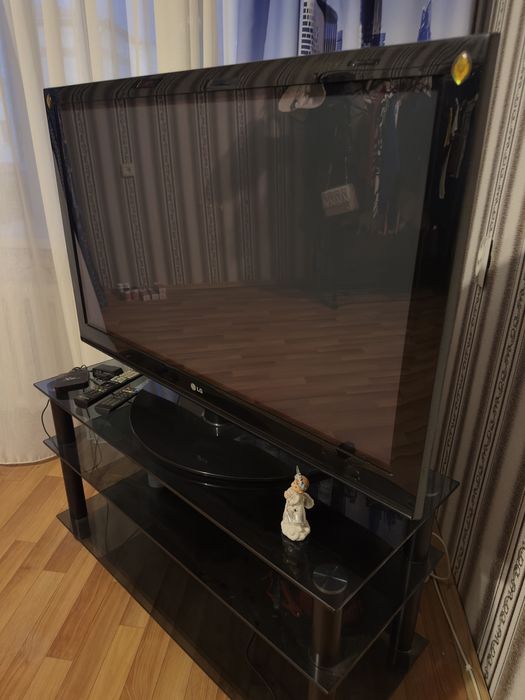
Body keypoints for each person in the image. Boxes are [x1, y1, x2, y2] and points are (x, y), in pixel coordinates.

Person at [281, 467, 315, 542]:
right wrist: (286, 494)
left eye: (296, 486)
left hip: (296, 510)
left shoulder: (299, 496)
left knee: (297, 520)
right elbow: (288, 492)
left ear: (301, 491)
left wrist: (289, 499)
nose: (293, 485)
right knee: (288, 517)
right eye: (294, 483)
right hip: (290, 508)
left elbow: (294, 501)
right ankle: (290, 525)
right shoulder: (291, 489)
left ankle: (298, 527)